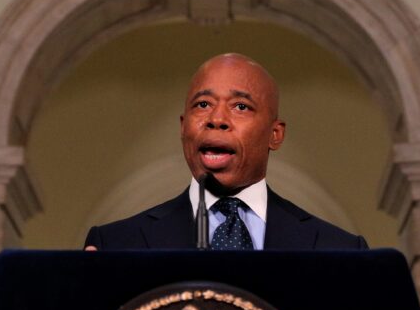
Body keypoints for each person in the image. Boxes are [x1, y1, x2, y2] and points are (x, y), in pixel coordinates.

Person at [84, 53, 367, 250]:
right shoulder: (118, 245)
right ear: (183, 127)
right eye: (203, 104)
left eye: (241, 106)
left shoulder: (339, 250)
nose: (216, 119)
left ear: (275, 134)